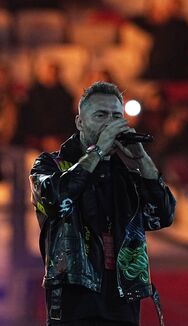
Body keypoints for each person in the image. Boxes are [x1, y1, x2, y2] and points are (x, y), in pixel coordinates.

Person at [29, 81, 176, 325]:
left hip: (123, 302)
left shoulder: (128, 173)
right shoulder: (50, 165)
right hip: (75, 299)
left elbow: (163, 216)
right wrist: (97, 152)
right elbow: (56, 201)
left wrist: (143, 160)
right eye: (101, 115)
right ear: (79, 123)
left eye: (117, 116)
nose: (110, 122)